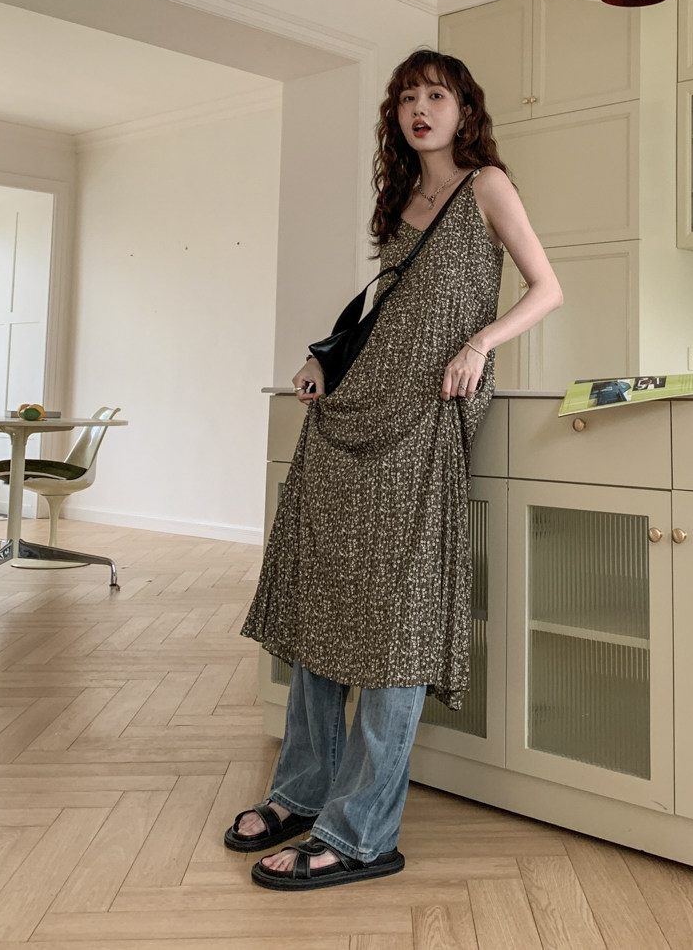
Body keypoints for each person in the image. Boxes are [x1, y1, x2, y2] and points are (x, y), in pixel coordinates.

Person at [231, 48, 562, 890]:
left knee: (398, 617)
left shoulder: (487, 185)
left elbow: (547, 287)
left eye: (437, 95)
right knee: (322, 596)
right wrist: (326, 357)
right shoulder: (400, 202)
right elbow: (389, 313)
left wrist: (480, 342)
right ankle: (303, 789)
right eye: (408, 96)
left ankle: (361, 831)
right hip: (357, 410)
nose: (421, 108)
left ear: (464, 110)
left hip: (426, 417)